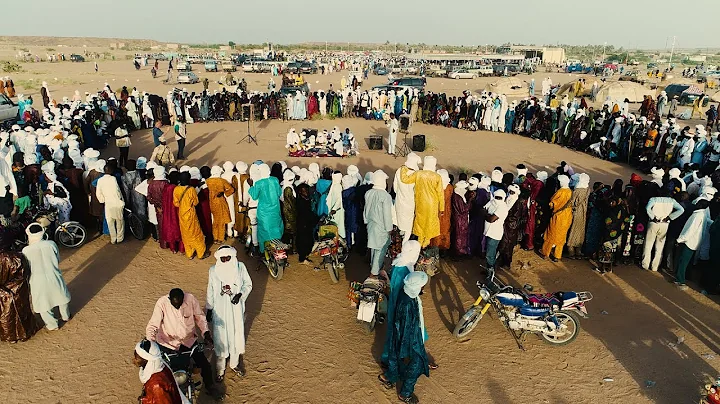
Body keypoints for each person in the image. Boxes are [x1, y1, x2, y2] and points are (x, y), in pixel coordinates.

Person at [146, 288, 220, 399]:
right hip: (168, 343)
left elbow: (200, 317)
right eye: (175, 305)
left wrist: (206, 333)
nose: (178, 307)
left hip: (189, 341)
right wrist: (150, 342)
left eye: (179, 304)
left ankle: (210, 386)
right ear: (169, 299)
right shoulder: (161, 303)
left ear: (183, 298)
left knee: (205, 365)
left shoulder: (190, 299)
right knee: (156, 371)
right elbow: (153, 326)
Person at [378, 271, 430, 404]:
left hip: (399, 334)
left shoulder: (405, 292)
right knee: (417, 362)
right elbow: (408, 328)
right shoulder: (407, 304)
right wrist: (414, 346)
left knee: (395, 355)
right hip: (410, 338)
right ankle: (405, 393)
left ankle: (388, 377)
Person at [206, 245, 252, 381]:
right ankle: (220, 369)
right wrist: (209, 308)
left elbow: (248, 284)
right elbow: (210, 290)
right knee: (220, 339)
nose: (225, 260)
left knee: (235, 336)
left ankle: (234, 364)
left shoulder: (240, 267)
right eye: (223, 258)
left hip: (235, 310)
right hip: (219, 311)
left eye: (228, 257)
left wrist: (240, 294)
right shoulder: (213, 271)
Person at [22, 223, 71, 330]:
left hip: (36, 279)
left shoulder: (25, 250)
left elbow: (26, 268)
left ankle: (52, 325)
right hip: (54, 274)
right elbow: (57, 258)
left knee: (43, 303)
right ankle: (66, 316)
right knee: (61, 296)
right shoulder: (51, 244)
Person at [381, 240, 422, 365]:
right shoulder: (404, 270)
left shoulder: (400, 263)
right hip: (401, 306)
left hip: (395, 304)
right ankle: (393, 359)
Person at [400, 156, 444, 247]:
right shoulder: (437, 176)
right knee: (430, 222)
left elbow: (405, 180)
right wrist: (441, 208)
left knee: (420, 222)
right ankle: (426, 242)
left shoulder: (419, 174)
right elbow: (440, 194)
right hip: (433, 204)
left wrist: (403, 169)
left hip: (421, 202)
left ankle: (419, 243)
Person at [641, 189, 685, 272]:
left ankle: (645, 264)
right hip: (665, 224)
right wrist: (670, 217)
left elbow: (647, 208)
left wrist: (653, 217)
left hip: (653, 223)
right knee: (659, 246)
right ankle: (655, 267)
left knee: (648, 244)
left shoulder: (654, 199)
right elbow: (681, 210)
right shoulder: (672, 201)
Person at [133, 339, 187, 404]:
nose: (134, 360)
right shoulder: (159, 366)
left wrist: (144, 400)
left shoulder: (156, 384)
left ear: (146, 359)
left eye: (137, 358)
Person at [675, 200, 713, 289]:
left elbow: (690, 230)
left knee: (683, 261)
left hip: (689, 241)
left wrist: (680, 239)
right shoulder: (702, 215)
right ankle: (683, 278)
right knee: (687, 261)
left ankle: (680, 280)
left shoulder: (697, 215)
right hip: (695, 241)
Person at [248, 163, 283, 253]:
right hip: (275, 208)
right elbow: (279, 193)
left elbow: (254, 196)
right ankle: (277, 243)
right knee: (275, 226)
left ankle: (263, 250)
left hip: (264, 211)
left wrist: (251, 186)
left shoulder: (259, 183)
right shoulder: (275, 180)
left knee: (264, 229)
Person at [364, 170, 394, 276]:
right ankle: (374, 272)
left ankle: (373, 265)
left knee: (373, 246)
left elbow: (366, 209)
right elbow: (387, 214)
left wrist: (366, 220)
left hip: (371, 224)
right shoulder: (385, 196)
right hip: (381, 225)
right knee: (380, 249)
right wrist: (389, 228)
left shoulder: (368, 193)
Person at [173, 172, 208, 259]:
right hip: (191, 214)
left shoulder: (176, 189)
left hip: (182, 214)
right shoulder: (191, 189)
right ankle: (201, 253)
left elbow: (176, 203)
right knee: (196, 234)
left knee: (186, 234)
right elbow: (196, 202)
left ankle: (189, 254)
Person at [540, 175, 573, 262]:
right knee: (561, 236)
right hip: (567, 216)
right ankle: (557, 255)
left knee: (551, 234)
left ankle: (545, 253)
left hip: (558, 216)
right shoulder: (570, 191)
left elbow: (552, 203)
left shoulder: (560, 192)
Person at [95, 163, 126, 244]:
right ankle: (120, 238)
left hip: (108, 203)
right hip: (116, 202)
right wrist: (121, 200)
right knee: (119, 221)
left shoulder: (100, 180)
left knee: (110, 222)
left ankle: (113, 238)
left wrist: (102, 200)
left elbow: (98, 193)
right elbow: (117, 190)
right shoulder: (113, 179)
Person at [393, 153, 421, 243]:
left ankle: (397, 244)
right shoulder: (417, 175)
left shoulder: (399, 171)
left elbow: (395, 188)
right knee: (409, 227)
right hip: (411, 204)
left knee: (399, 223)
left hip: (400, 202)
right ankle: (404, 246)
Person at [206, 166, 235, 243]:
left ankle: (215, 237)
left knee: (215, 220)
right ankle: (220, 238)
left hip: (211, 202)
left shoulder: (208, 181)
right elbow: (231, 189)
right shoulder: (222, 181)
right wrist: (225, 193)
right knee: (221, 221)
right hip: (220, 202)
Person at [483, 189, 509, 272]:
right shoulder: (492, 202)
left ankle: (491, 272)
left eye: (499, 198)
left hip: (495, 233)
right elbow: (482, 210)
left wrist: (486, 215)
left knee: (489, 255)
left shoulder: (503, 207)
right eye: (496, 197)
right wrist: (488, 215)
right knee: (489, 253)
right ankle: (489, 270)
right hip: (488, 231)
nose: (497, 199)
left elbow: (491, 219)